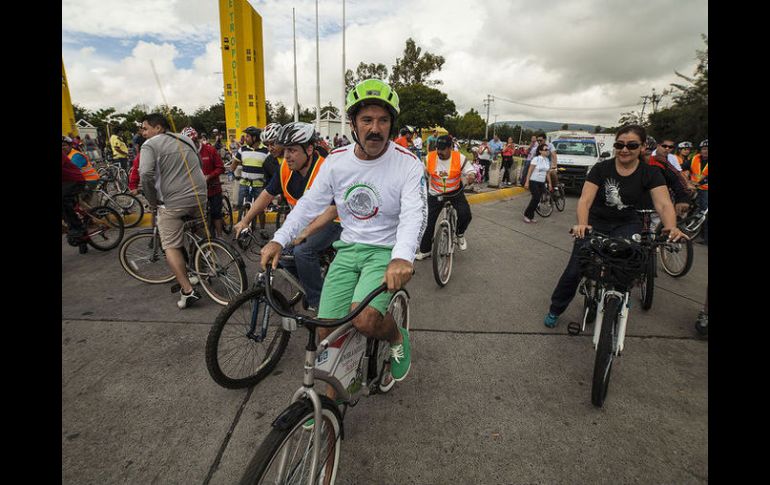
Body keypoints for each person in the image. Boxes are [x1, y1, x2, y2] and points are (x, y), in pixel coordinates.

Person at [260, 78, 426, 387]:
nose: (375, 128)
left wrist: (402, 257)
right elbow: (310, 204)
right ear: (353, 123)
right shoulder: (336, 161)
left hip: (384, 252)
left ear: (392, 125)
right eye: (367, 120)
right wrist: (279, 239)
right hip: (348, 249)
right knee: (325, 329)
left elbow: (414, 213)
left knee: (364, 320)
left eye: (383, 120)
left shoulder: (408, 163)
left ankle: (397, 337)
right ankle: (327, 405)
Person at [542, 124, 688, 328]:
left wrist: (671, 226)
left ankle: (616, 301)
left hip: (627, 224)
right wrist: (582, 224)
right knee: (576, 269)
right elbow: (585, 200)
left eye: (632, 145)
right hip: (596, 222)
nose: (625, 149)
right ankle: (556, 309)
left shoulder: (650, 173)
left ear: (643, 147)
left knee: (626, 267)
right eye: (620, 144)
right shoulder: (601, 169)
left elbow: (663, 203)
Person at [234, 122, 342, 311]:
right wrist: (245, 220)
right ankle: (311, 284)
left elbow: (333, 209)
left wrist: (305, 233)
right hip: (304, 222)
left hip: (332, 222)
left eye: (292, 150)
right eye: (285, 150)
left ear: (309, 149)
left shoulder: (326, 168)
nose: (286, 156)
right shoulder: (285, 168)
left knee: (303, 252)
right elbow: (267, 194)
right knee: (282, 257)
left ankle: (320, 305)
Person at [138, 113, 208, 309]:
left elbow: (145, 175)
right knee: (200, 235)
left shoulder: (150, 145)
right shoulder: (186, 138)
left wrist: (153, 201)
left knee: (171, 245)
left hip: (173, 202)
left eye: (145, 128)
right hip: (200, 195)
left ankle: (188, 290)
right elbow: (199, 165)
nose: (143, 133)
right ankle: (200, 270)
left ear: (158, 128)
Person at [415, 134, 476, 260]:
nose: (439, 152)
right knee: (427, 221)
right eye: (438, 148)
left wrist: (471, 176)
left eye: (442, 149)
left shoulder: (459, 158)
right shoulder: (430, 157)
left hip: (455, 193)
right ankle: (425, 250)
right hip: (435, 193)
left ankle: (459, 234)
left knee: (465, 214)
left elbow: (470, 170)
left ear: (450, 148)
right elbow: (420, 171)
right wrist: (423, 173)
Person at [181, 127, 226, 237]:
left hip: (213, 189)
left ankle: (220, 237)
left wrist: (209, 176)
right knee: (197, 217)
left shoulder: (210, 150)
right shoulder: (184, 153)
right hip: (196, 192)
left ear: (196, 140)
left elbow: (221, 167)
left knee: (216, 214)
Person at [229, 126, 269, 231]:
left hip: (259, 185)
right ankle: (239, 227)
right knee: (241, 207)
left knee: (260, 209)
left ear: (254, 138)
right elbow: (233, 165)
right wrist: (232, 173)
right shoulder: (242, 149)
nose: (245, 138)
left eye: (247, 136)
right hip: (244, 184)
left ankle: (262, 230)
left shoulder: (266, 151)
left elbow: (270, 169)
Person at [682, 139, 708, 245]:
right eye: (704, 149)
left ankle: (705, 238)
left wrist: (700, 182)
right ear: (700, 150)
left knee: (703, 213)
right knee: (696, 211)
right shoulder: (694, 159)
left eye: (707, 149)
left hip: (705, 189)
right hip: (695, 189)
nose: (706, 151)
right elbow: (682, 167)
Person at [62, 141, 87, 245]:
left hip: (75, 180)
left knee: (63, 200)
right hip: (66, 182)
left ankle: (77, 227)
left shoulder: (75, 154)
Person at [522, 143, 551, 223]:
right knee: (536, 198)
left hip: (541, 182)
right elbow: (530, 171)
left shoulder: (547, 160)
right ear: (540, 151)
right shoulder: (536, 159)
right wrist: (527, 182)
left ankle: (531, 216)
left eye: (548, 149)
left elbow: (547, 173)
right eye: (545, 150)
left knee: (537, 200)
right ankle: (526, 214)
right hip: (533, 181)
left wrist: (550, 183)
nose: (547, 151)